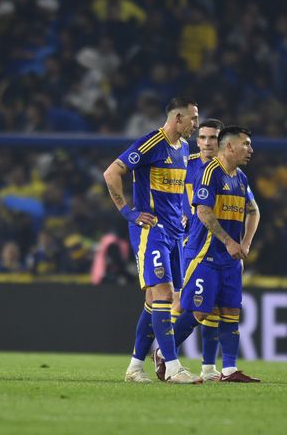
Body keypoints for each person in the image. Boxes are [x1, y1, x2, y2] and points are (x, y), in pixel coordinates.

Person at [103, 96, 202, 384]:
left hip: (174, 231)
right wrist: (127, 212)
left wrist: (184, 214)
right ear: (178, 119)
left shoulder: (183, 148)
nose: (195, 124)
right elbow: (112, 172)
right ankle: (172, 367)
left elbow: (178, 189)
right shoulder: (151, 143)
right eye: (193, 118)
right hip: (152, 230)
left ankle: (135, 367)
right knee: (163, 294)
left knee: (156, 299)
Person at [157, 126, 261, 383]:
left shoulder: (241, 178)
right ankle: (163, 352)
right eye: (246, 144)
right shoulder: (210, 172)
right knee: (199, 311)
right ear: (229, 147)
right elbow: (203, 211)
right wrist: (228, 241)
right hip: (205, 254)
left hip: (230, 258)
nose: (250, 150)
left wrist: (244, 244)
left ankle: (228, 369)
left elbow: (253, 211)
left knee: (230, 312)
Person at [172, 118, 225, 381]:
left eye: (212, 138)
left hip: (219, 245)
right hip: (191, 244)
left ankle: (208, 367)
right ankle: (167, 357)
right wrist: (178, 214)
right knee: (185, 302)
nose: (206, 143)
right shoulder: (186, 164)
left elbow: (249, 206)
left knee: (212, 305)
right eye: (202, 138)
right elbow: (167, 189)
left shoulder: (229, 170)